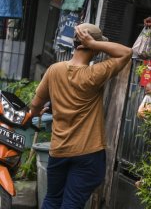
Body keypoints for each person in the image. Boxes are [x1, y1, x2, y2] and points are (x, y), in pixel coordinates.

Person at [30, 23, 132, 209]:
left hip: (59, 150)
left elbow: (35, 105)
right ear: (93, 47)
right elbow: (126, 52)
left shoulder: (54, 70)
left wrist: (38, 112)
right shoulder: (95, 73)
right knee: (72, 204)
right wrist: (94, 43)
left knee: (52, 199)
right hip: (88, 152)